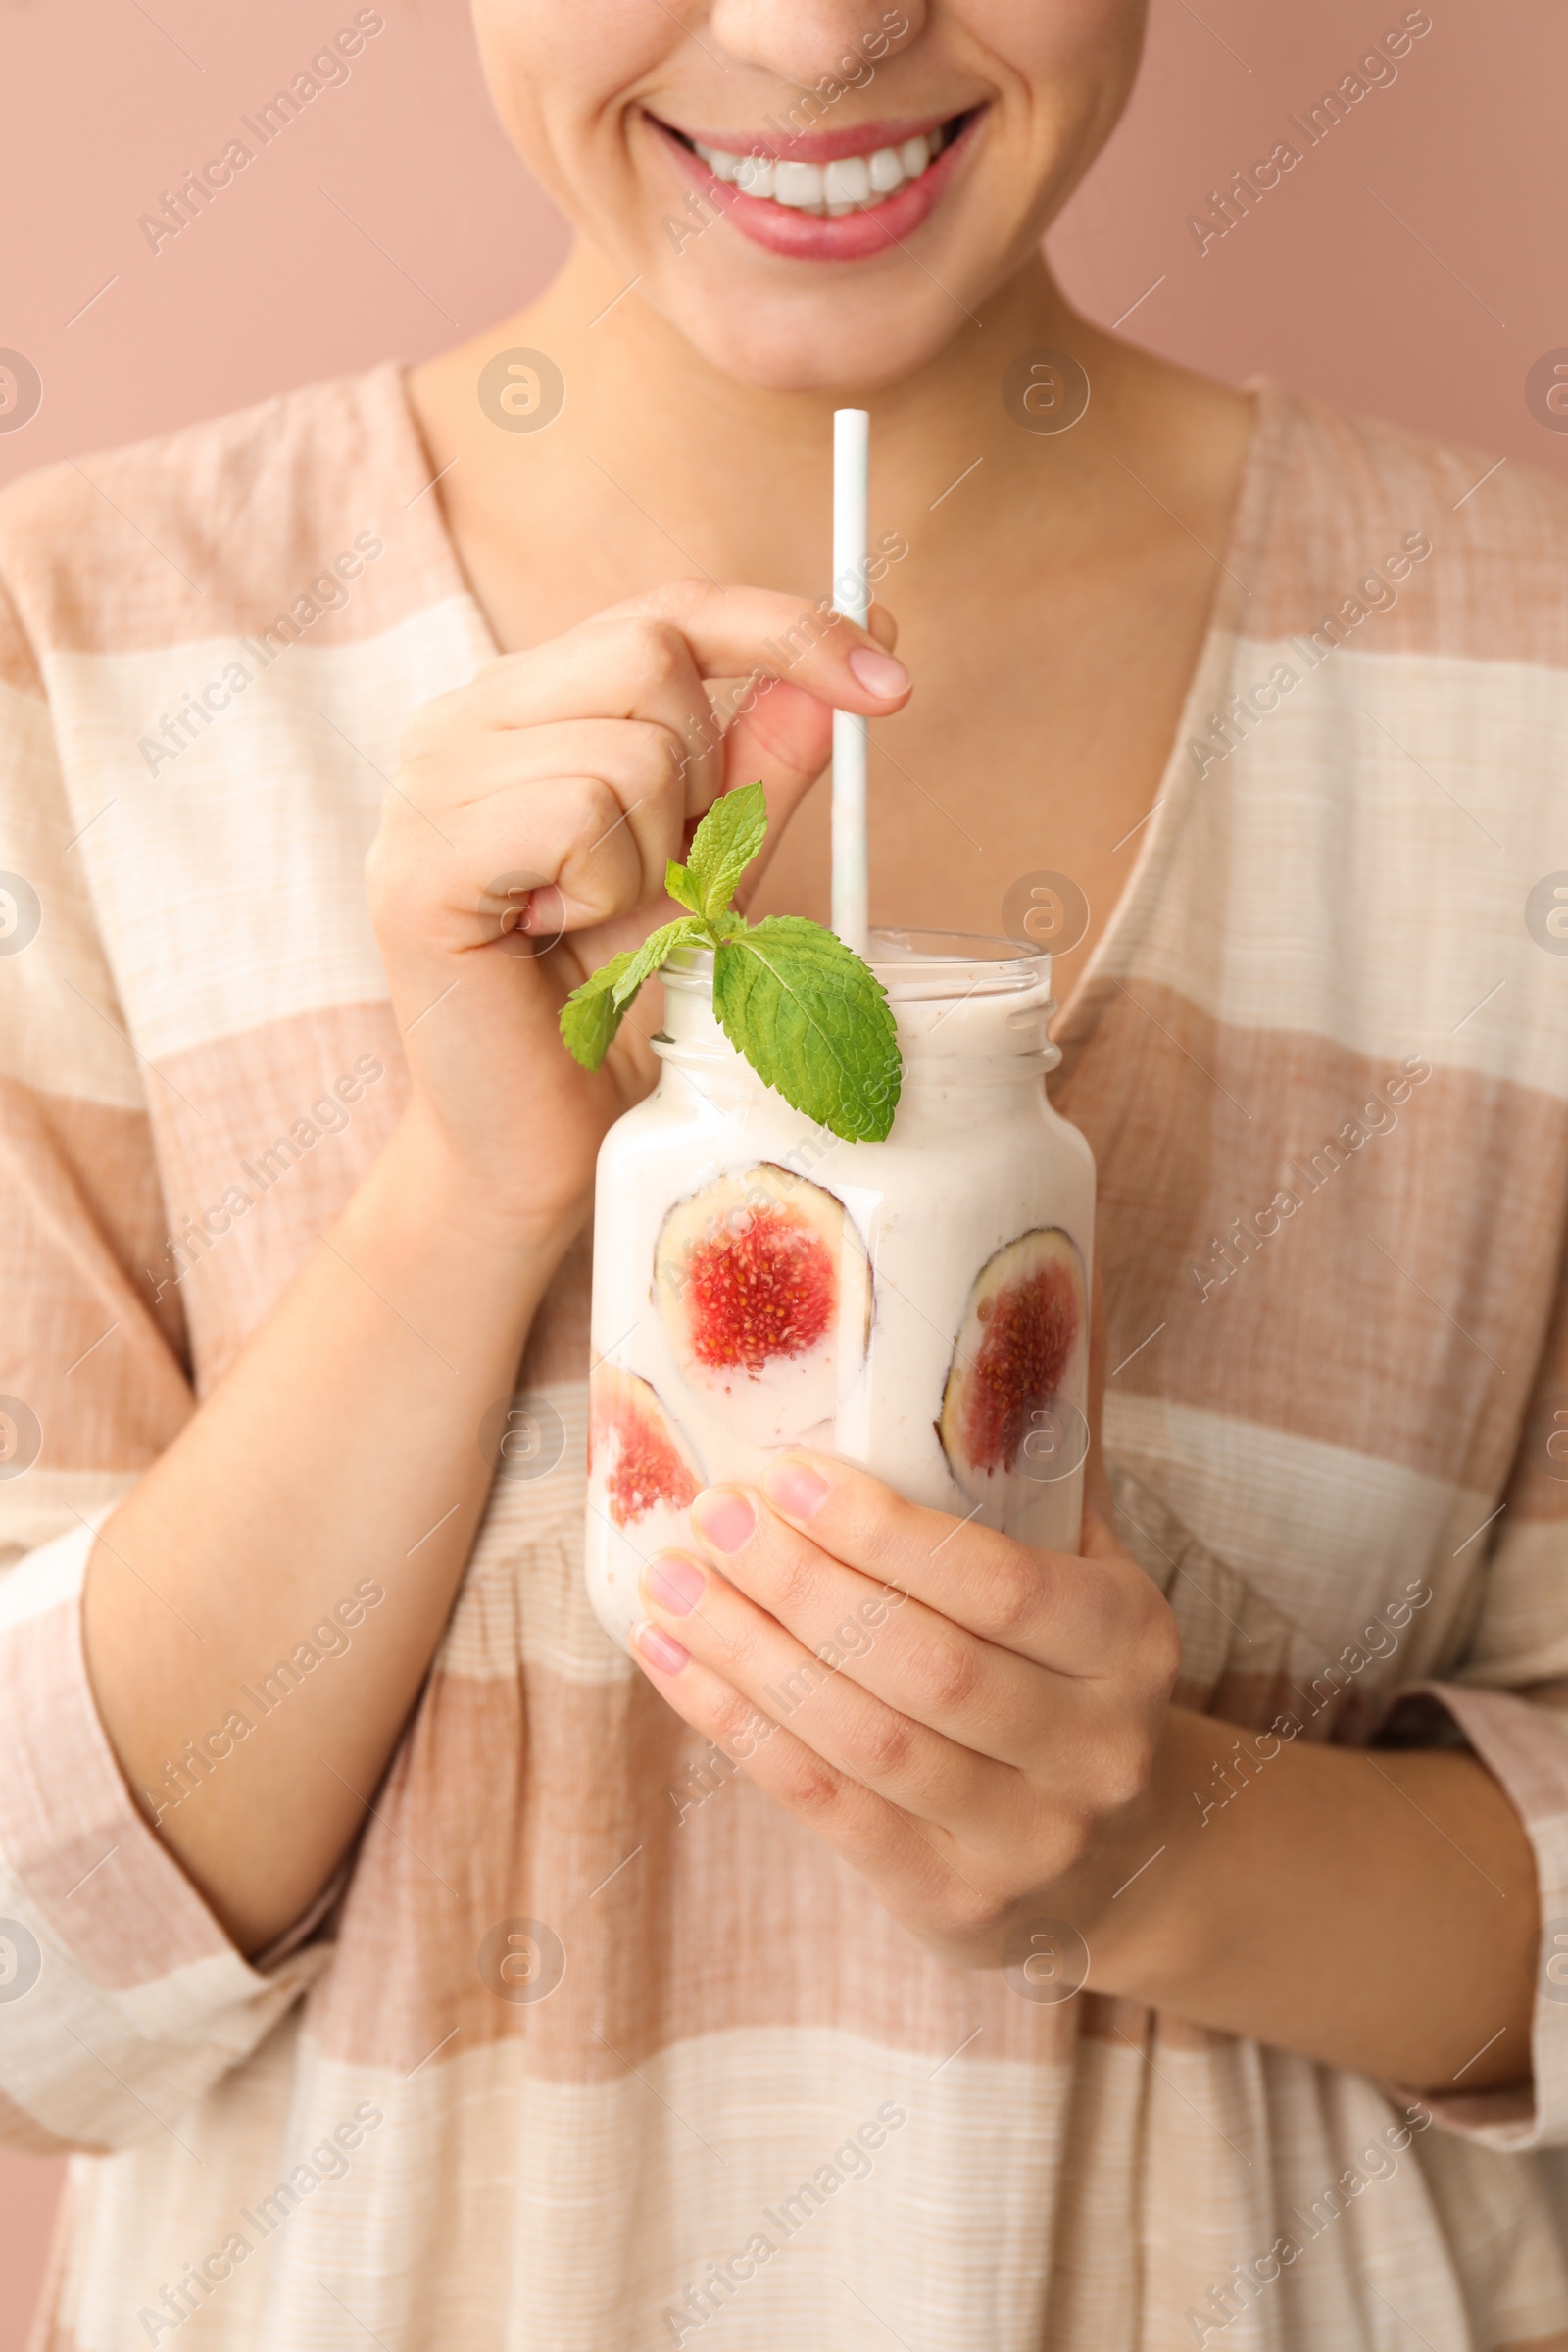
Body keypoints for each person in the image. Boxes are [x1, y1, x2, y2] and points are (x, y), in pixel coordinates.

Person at [1, 3, 1564, 2345]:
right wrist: (468, 1183)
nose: (819, 32)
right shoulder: (87, 659)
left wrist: (1143, 1859)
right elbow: (37, 1994)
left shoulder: (1520, 679)